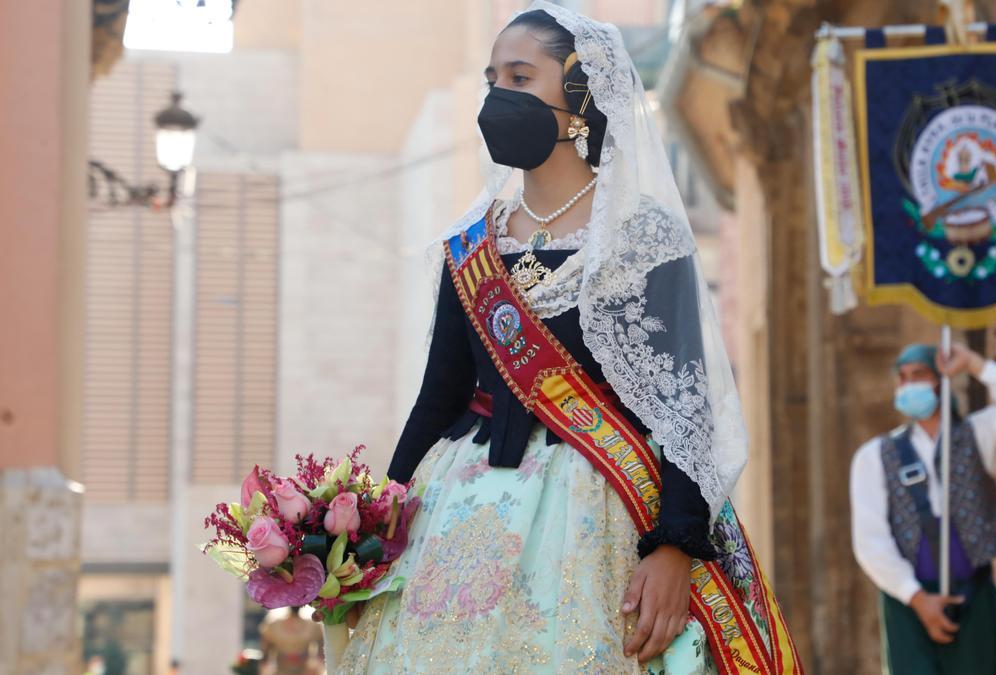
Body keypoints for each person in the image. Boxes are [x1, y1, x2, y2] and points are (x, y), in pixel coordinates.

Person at [331, 3, 799, 673]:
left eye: (522, 77)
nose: (499, 97)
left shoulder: (642, 238)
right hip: (462, 509)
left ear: (578, 94)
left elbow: (684, 406)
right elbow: (438, 398)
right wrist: (370, 529)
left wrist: (675, 547)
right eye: (494, 79)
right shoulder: (471, 243)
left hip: (598, 511)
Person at [850, 342, 996, 674]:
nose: (909, 384)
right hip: (908, 606)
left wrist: (975, 365)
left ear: (940, 380)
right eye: (902, 377)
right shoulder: (873, 457)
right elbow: (870, 542)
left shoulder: (980, 435)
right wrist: (916, 598)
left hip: (974, 599)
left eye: (919, 374)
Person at [259, 607, 322, 675]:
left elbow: (321, 650)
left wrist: (316, 666)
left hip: (305, 670)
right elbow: (265, 651)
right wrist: (264, 668)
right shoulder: (273, 623)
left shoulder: (311, 624)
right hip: (280, 670)